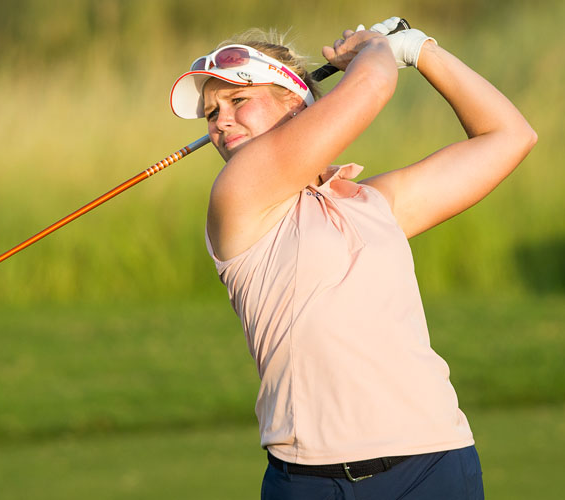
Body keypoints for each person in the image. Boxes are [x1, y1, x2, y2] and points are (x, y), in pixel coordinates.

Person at [169, 17, 536, 500]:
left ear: (295, 102)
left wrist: (421, 49)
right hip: (309, 480)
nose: (220, 121)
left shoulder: (374, 204)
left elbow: (509, 136)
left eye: (238, 100)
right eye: (212, 112)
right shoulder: (237, 196)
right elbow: (373, 85)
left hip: (433, 462)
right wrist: (378, 49)